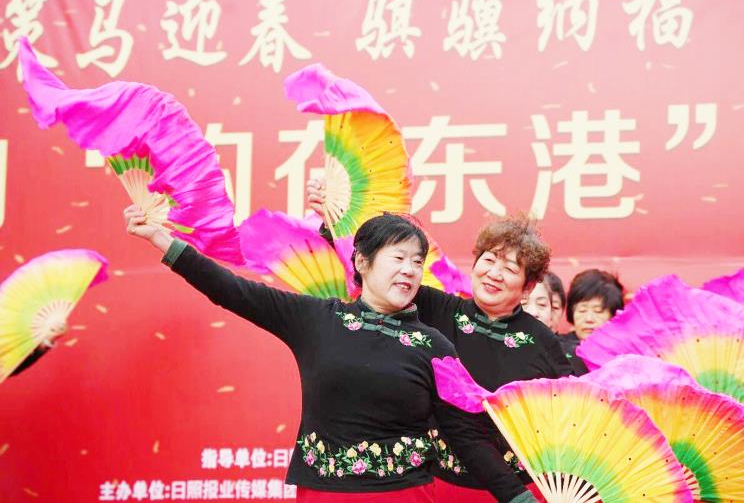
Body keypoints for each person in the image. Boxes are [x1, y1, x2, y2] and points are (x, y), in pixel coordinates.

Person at [124, 206, 534, 503]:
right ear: (362, 262)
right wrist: (161, 239)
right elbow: (232, 290)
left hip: (404, 494)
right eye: (398, 258)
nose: (410, 270)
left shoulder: (435, 346)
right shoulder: (317, 319)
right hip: (323, 492)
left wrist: (520, 498)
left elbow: (465, 435)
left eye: (416, 261)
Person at [306, 179, 572, 502]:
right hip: (438, 485)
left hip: (517, 492)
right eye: (489, 260)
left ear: (528, 287)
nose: (494, 273)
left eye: (510, 268)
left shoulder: (543, 341)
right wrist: (333, 223)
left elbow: (576, 413)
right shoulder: (434, 308)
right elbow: (377, 275)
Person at [559, 269, 625, 376]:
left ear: (613, 316)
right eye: (582, 310)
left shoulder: (624, 352)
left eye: (598, 311)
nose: (589, 319)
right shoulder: (557, 347)